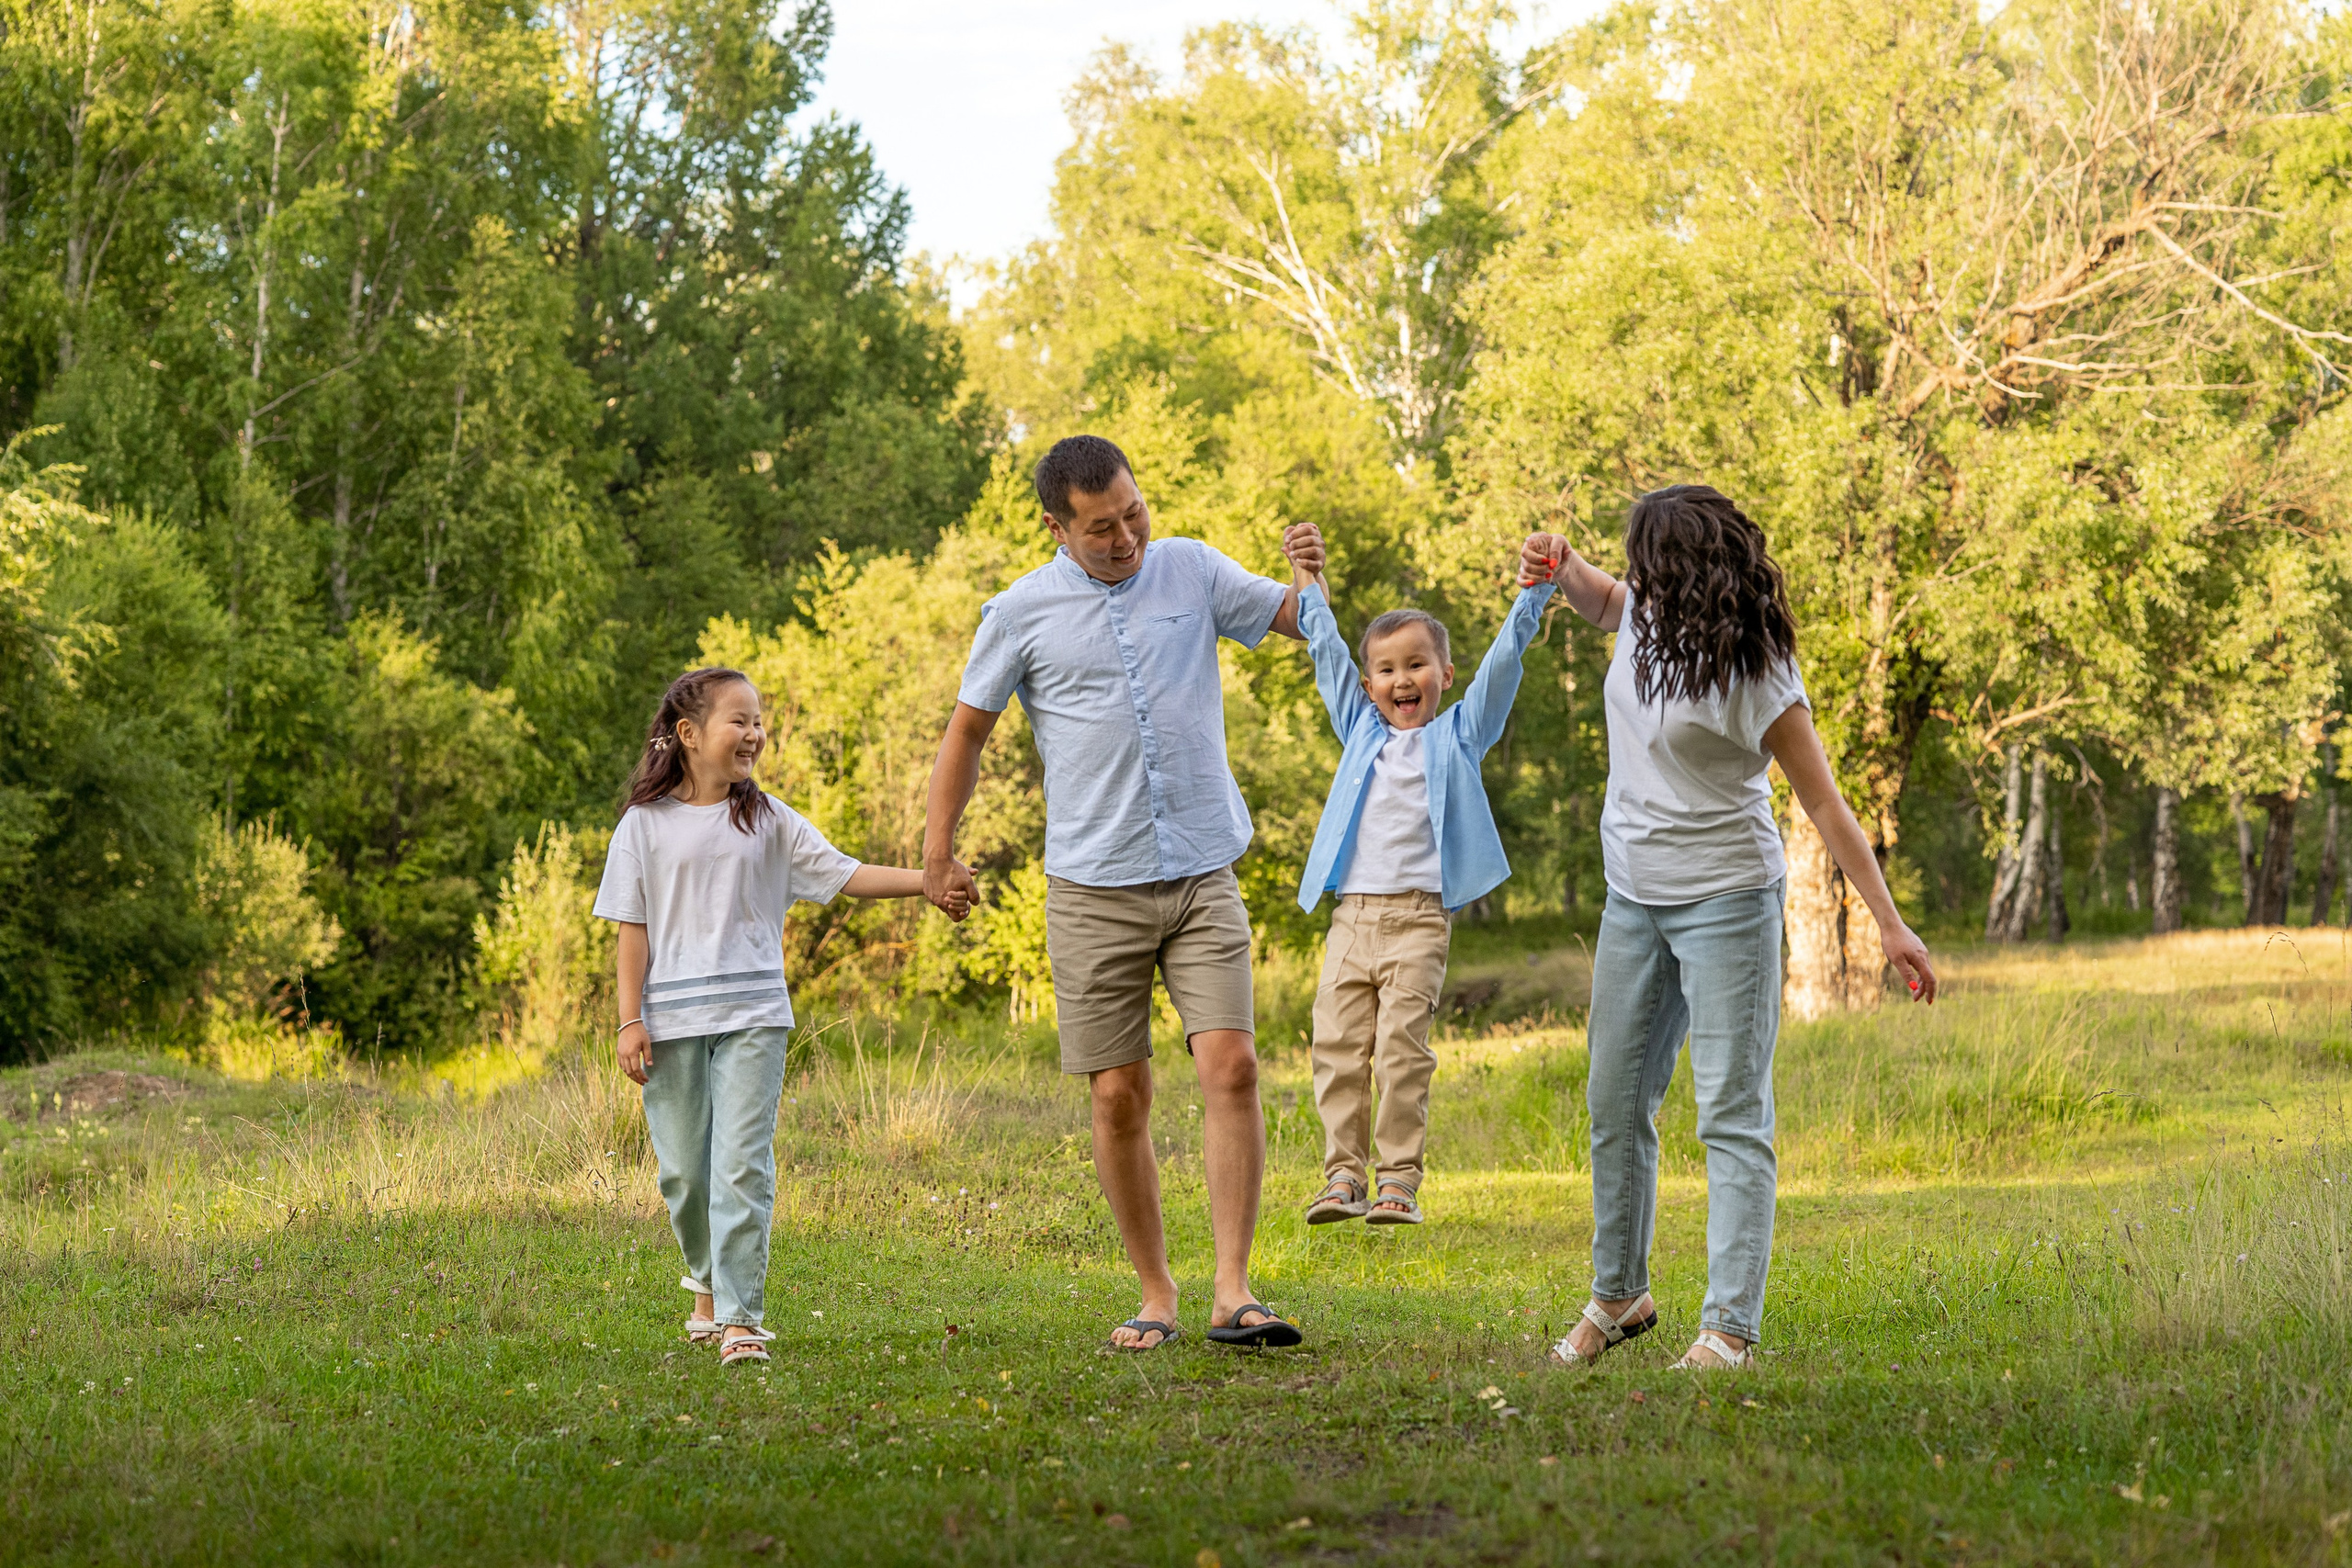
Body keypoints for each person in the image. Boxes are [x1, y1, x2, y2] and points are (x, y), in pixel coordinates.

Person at [1523, 485, 1937, 1372]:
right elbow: (1597, 597)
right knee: (1613, 1099)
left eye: (1646, 563)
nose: (1633, 577)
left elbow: (1824, 804)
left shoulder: (1758, 674)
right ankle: (1618, 1292)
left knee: (1731, 1114)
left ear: (1685, 574)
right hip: (1631, 896)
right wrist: (1559, 564)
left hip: (1728, 902)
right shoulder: (1640, 611)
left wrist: (1892, 927)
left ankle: (1731, 1327)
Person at [922, 434, 1319, 1352]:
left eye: (1134, 515)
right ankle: (1155, 1292)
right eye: (1101, 529)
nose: (1126, 538)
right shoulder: (1019, 611)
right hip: (1093, 887)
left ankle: (1233, 1291)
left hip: (1200, 869)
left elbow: (1300, 623)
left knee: (1232, 1064)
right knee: (1117, 1096)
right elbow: (967, 736)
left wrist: (1312, 579)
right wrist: (937, 855)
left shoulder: (1190, 569)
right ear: (1056, 527)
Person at [595, 667, 967, 1369]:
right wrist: (628, 1019)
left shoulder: (768, 820)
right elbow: (631, 929)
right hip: (670, 1022)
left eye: (758, 721)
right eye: (740, 720)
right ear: (688, 734)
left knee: (740, 1165)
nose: (755, 734)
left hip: (755, 1016)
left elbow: (846, 873)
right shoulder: (642, 827)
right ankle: (707, 1281)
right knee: (684, 1174)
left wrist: (927, 881)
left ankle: (739, 1317)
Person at [1286, 536, 1556, 1228]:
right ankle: (1342, 1177)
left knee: (1401, 1050)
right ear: (1370, 682)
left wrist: (1533, 594)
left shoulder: (1459, 735)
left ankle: (1397, 1182)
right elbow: (1325, 650)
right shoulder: (1358, 729)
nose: (1401, 679)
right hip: (1351, 919)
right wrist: (1307, 579)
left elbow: (1503, 666)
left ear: (1443, 672)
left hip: (1418, 919)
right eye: (1385, 669)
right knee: (1337, 1047)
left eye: (1416, 665)